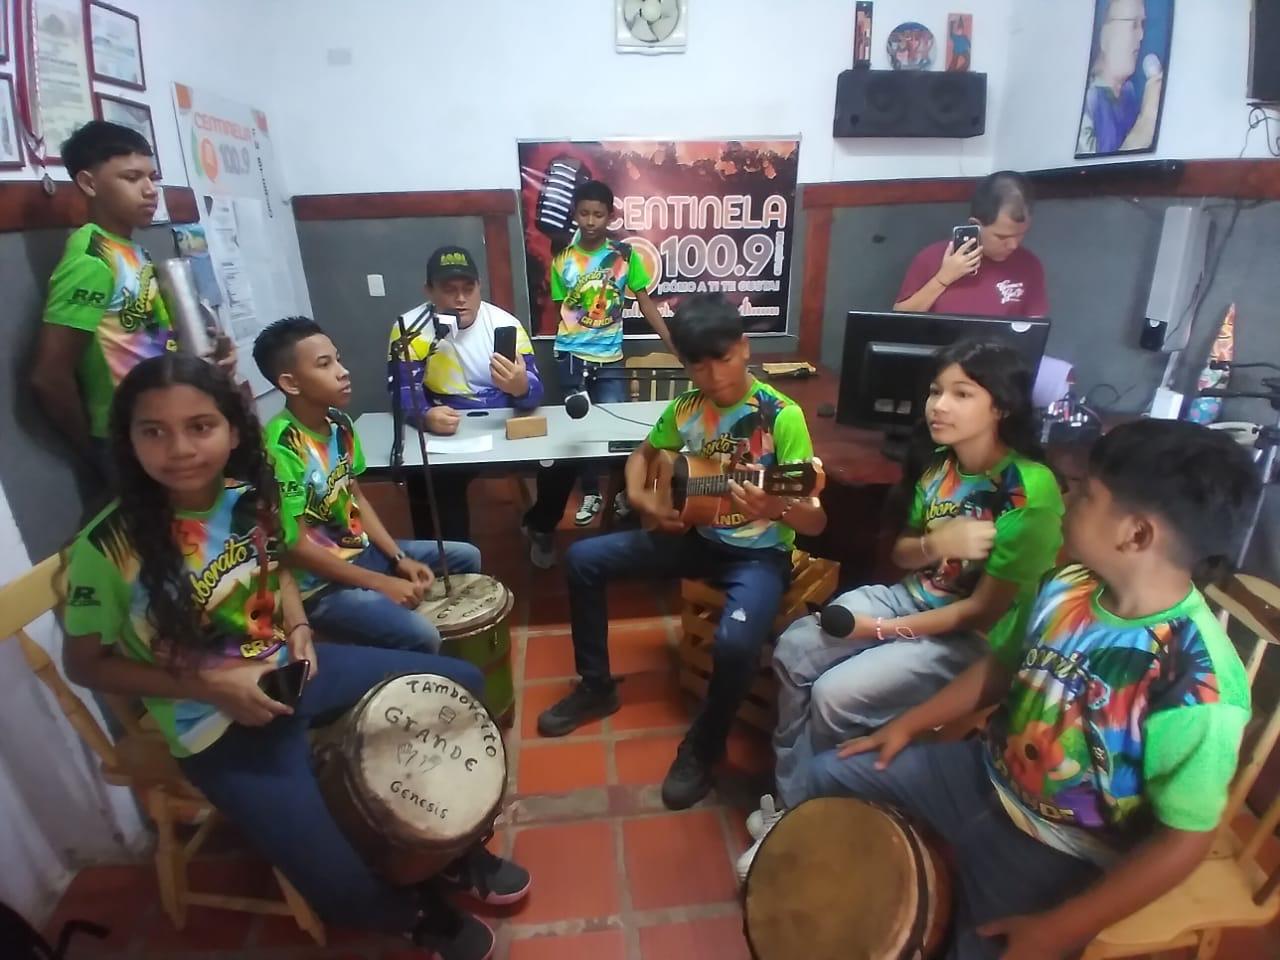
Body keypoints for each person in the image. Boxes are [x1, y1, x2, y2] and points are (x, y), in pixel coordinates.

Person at [60, 354, 528, 959]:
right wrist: (214, 687)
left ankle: (455, 853)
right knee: (337, 887)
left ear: (233, 431)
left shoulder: (246, 499)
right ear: (129, 440)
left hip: (295, 674)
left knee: (462, 683)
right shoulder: (107, 547)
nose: (179, 449)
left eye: (200, 426)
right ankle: (415, 914)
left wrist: (300, 624)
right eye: (154, 431)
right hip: (214, 726)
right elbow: (85, 665)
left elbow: (277, 565)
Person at [780, 419, 1257, 960]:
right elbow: (1001, 668)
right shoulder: (1065, 585)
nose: (1067, 501)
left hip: (1063, 846)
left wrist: (1060, 928)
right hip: (981, 774)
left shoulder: (1201, 684)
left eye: (1086, 494)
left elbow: (1185, 839)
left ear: (1137, 535)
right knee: (828, 774)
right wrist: (907, 726)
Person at [742, 341, 1064, 878]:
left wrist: (880, 629)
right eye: (936, 391)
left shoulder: (1029, 495)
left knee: (834, 696)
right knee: (794, 649)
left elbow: (979, 616)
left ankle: (819, 819)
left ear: (1002, 407)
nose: (939, 405)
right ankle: (797, 805)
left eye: (962, 394)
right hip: (912, 600)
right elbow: (903, 554)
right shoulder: (941, 465)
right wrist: (938, 545)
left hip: (970, 641)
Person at [536, 294, 827, 810]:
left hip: (759, 556)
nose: (713, 375)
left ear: (745, 348)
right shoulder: (686, 408)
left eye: (724, 358)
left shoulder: (782, 416)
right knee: (583, 560)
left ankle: (704, 748)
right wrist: (645, 498)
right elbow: (643, 455)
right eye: (698, 365)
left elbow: (816, 520)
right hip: (697, 537)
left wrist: (777, 506)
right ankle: (597, 686)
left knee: (734, 645)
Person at [254, 317, 482, 654]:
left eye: (338, 359)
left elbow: (357, 498)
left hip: (363, 553)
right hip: (322, 586)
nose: (343, 372)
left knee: (466, 557)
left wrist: (398, 557)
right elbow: (296, 548)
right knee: (422, 635)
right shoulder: (280, 448)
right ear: (291, 383)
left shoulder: (339, 424)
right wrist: (382, 583)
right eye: (324, 364)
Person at [30, 121, 235, 485]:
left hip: (168, 420)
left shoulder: (133, 250)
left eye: (152, 178)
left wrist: (210, 357)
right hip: (129, 437)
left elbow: (149, 338)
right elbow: (50, 376)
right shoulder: (91, 259)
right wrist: (96, 452)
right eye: (131, 178)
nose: (150, 190)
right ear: (89, 183)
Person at [521, 179, 674, 564]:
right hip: (572, 358)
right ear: (575, 214)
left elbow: (645, 301)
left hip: (610, 361)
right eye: (584, 213)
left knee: (620, 438)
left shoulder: (624, 255)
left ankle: (622, 501)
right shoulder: (563, 256)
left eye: (598, 214)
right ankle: (582, 498)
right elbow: (565, 310)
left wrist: (671, 341)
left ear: (610, 216)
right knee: (577, 438)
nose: (590, 221)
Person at [389, 244, 543, 541]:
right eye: (449, 290)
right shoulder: (409, 328)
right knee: (432, 479)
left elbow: (536, 392)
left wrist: (522, 387)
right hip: (450, 426)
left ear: (479, 287)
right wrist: (425, 415)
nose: (460, 299)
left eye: (468, 288)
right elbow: (402, 390)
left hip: (502, 423)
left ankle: (541, 528)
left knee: (558, 467)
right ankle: (455, 557)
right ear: (429, 291)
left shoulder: (505, 324)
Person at [894, 171, 1048, 319]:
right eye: (1002, 237)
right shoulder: (930, 258)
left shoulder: (1029, 264)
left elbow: (1035, 326)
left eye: (1020, 234)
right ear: (975, 225)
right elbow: (900, 320)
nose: (1013, 245)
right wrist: (942, 279)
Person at [1077, 0, 1164, 156]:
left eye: (1142, 24)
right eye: (1133, 24)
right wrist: (1147, 121)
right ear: (1105, 34)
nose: (1141, 35)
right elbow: (1096, 170)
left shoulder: (1129, 93)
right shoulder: (1085, 102)